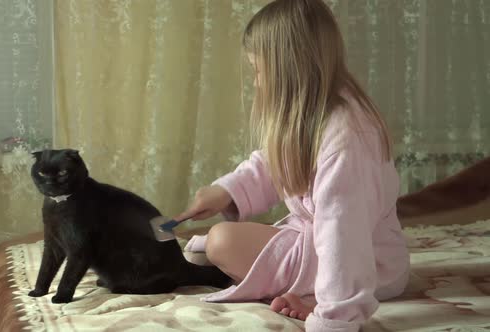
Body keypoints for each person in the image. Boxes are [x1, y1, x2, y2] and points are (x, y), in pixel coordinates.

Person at [174, 0, 410, 331]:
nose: (255, 82)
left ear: (287, 67)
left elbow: (342, 233)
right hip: (323, 242)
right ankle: (282, 279)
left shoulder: (347, 138)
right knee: (211, 250)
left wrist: (333, 317)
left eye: (257, 70)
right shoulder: (315, 117)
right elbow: (274, 165)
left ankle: (312, 292)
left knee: (220, 242)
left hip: (370, 262)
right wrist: (225, 191)